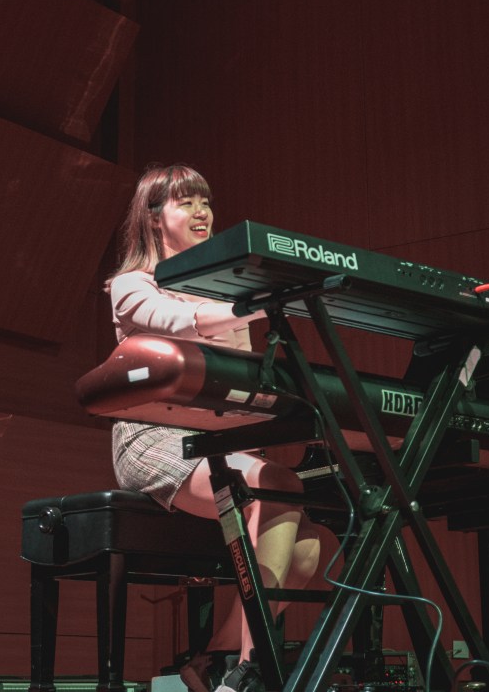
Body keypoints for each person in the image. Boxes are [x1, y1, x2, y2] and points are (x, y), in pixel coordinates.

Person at [106, 164, 321, 692]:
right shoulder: (131, 285)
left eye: (205, 201)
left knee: (314, 545)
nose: (202, 212)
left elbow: (237, 391)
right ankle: (252, 671)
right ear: (153, 219)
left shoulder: (223, 296)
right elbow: (180, 322)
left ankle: (211, 662)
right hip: (153, 438)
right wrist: (254, 305)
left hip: (216, 439)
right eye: (186, 202)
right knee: (274, 484)